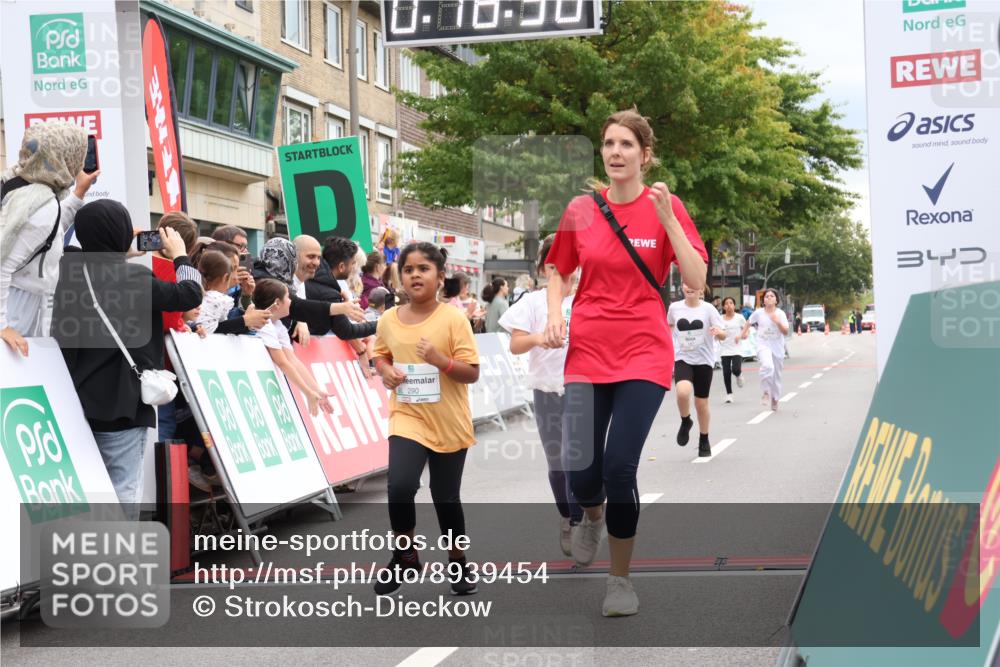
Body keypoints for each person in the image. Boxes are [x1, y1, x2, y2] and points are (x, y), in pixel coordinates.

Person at [543, 108, 708, 616]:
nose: (616, 152)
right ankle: (591, 516)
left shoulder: (668, 205)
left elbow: (696, 278)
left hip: (643, 348)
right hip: (588, 351)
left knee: (619, 467)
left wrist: (667, 223)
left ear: (645, 155)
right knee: (581, 470)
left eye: (626, 145)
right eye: (609, 144)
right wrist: (554, 314)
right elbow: (558, 269)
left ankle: (620, 580)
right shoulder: (581, 210)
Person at [52, 200, 202, 518]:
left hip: (76, 402)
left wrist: (119, 250)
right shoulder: (134, 279)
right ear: (120, 235)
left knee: (88, 490)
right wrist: (179, 254)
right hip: (123, 404)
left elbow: (74, 251)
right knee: (123, 489)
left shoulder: (67, 272)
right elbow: (190, 294)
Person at [372, 242, 480, 596]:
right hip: (408, 416)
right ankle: (406, 556)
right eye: (408, 269)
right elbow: (381, 355)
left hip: (448, 420)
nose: (415, 275)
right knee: (400, 486)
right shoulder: (388, 319)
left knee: (445, 498)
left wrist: (440, 360)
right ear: (399, 276)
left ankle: (458, 561)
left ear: (440, 276)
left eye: (423, 269)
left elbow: (471, 373)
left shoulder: (453, 319)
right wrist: (385, 371)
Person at [499, 234, 582, 555]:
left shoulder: (586, 300)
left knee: (582, 459)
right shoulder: (533, 302)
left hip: (583, 388)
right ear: (546, 267)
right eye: (557, 263)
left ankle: (581, 518)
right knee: (558, 463)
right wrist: (538, 338)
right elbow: (515, 344)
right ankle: (567, 516)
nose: (566, 270)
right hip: (546, 388)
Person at [1, 121, 98, 355]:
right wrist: (3, 325)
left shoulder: (17, 184)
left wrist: (78, 195)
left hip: (17, 299)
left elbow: (46, 234)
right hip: (17, 305)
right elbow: (2, 264)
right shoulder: (42, 202)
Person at [249, 278, 333, 416]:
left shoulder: (278, 325)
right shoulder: (266, 325)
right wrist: (307, 393)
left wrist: (316, 390)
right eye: (287, 297)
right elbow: (282, 363)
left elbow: (292, 360)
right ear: (277, 303)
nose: (291, 302)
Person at [669, 284, 726, 457]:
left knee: (701, 404)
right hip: (682, 358)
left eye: (695, 285)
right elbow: (669, 326)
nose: (690, 288)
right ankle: (686, 420)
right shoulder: (674, 308)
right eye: (686, 284)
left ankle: (704, 439)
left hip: (704, 360)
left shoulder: (708, 309)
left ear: (701, 289)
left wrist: (718, 332)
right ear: (682, 287)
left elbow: (724, 334)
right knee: (682, 392)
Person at [741, 288, 789, 411]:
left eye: (772, 296)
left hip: (777, 346)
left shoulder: (780, 314)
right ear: (763, 300)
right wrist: (743, 333)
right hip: (763, 344)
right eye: (766, 296)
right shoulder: (759, 313)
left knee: (776, 375)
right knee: (768, 367)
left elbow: (785, 332)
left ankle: (775, 398)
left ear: (776, 300)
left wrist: (778, 322)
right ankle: (766, 392)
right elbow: (749, 322)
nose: (769, 298)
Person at [194, 250, 235, 335]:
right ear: (225, 277)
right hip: (208, 341)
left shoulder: (193, 293)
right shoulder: (221, 300)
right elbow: (225, 323)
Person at [718, 296, 747, 403]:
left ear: (734, 305)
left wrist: (743, 335)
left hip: (736, 348)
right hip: (724, 349)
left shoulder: (739, 317)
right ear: (724, 307)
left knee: (735, 369)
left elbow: (746, 329)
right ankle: (729, 394)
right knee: (726, 372)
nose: (729, 305)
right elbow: (718, 331)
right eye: (726, 303)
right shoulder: (720, 319)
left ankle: (738, 375)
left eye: (731, 303)